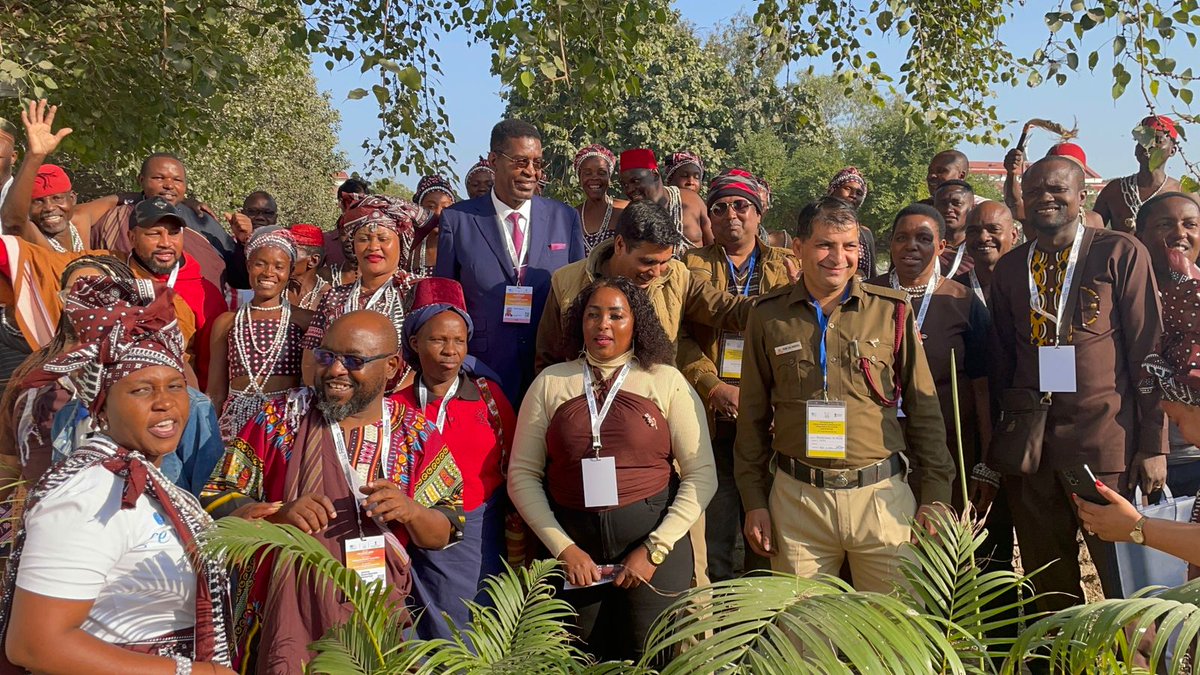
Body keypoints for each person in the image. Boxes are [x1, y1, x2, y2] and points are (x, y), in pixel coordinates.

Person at [201, 310, 463, 673]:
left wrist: (411, 512)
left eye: (354, 361)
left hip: (374, 623)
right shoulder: (278, 419)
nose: (336, 370)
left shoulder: (414, 434)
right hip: (282, 616)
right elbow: (217, 497)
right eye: (327, 356)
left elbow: (448, 527)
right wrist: (277, 515)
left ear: (391, 367)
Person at [0, 283, 235, 674]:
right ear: (103, 409)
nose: (165, 402)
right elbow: (35, 644)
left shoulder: (148, 480)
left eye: (174, 386)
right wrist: (193, 672)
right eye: (142, 389)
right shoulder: (90, 493)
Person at [735, 197, 954, 593]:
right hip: (798, 501)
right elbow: (750, 417)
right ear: (799, 249)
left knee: (894, 633)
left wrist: (936, 493)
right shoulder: (768, 316)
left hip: (881, 499)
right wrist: (754, 500)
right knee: (800, 636)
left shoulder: (892, 311)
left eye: (849, 246)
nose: (838, 257)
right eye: (825, 245)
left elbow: (925, 410)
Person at [987, 156, 1166, 617]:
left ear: (1080, 196)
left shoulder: (1119, 252)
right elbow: (1003, 363)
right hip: (1035, 450)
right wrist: (1001, 451)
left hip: (1105, 446)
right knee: (1049, 587)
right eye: (1035, 191)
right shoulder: (1008, 270)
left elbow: (1149, 352)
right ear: (1022, 202)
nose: (1046, 197)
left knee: (1125, 585)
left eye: (1058, 189)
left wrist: (1154, 445)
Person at [509, 277, 716, 663]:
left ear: (636, 323)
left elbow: (701, 474)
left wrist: (654, 551)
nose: (604, 325)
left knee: (651, 659)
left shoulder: (666, 381)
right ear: (579, 323)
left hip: (653, 553)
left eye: (616, 315)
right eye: (593, 315)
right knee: (582, 660)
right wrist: (564, 549)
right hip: (575, 556)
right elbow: (522, 475)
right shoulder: (550, 383)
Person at [678, 172, 794, 582]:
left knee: (769, 527)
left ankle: (762, 622)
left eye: (741, 205)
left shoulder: (786, 267)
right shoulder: (689, 265)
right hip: (712, 417)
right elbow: (680, 337)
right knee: (718, 528)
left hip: (773, 416)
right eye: (720, 207)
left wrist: (776, 397)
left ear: (759, 213)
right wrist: (714, 386)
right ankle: (722, 623)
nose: (731, 214)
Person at [393, 278, 517, 635]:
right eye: (438, 340)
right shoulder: (395, 406)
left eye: (459, 341)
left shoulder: (488, 398)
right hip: (410, 533)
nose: (450, 350)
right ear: (415, 343)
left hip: (476, 537)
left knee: (468, 631)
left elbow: (513, 463)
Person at [435, 119, 586, 403]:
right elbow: (445, 302)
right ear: (494, 160)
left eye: (537, 163)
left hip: (550, 366)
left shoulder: (564, 218)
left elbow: (578, 293)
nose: (531, 172)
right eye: (520, 162)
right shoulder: (459, 220)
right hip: (482, 366)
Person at [536, 200, 753, 373]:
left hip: (653, 410)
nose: (657, 272)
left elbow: (729, 310)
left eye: (665, 261)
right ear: (620, 245)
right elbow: (547, 361)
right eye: (648, 262)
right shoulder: (566, 282)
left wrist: (784, 299)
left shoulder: (678, 276)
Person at [302, 195, 429, 385]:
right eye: (363, 239)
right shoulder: (334, 296)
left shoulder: (419, 291)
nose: (373, 247)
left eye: (383, 238)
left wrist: (389, 406)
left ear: (401, 242)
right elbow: (311, 358)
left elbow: (431, 358)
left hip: (401, 402)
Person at [207, 227, 312, 440]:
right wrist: (210, 438)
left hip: (285, 424)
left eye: (279, 266)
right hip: (236, 423)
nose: (268, 273)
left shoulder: (303, 320)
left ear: (290, 271)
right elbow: (216, 392)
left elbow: (311, 384)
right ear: (248, 266)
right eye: (260, 264)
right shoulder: (227, 322)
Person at [1135, 192, 1200, 496]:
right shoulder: (1121, 298)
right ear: (1139, 236)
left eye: (1191, 224)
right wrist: (1151, 446)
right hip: (1139, 458)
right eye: (1165, 224)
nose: (1180, 234)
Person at [1094, 115, 1183, 233]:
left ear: (1173, 150)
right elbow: (1092, 235)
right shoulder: (1115, 190)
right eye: (1143, 139)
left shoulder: (1181, 193)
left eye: (1157, 141)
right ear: (1136, 148)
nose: (1148, 146)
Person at [618, 148, 713, 251]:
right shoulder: (630, 217)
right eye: (625, 185)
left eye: (635, 181)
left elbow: (715, 250)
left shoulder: (692, 201)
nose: (629, 189)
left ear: (655, 174)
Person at [1003, 141, 1104, 235]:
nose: (1047, 198)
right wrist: (1012, 174)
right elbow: (1015, 204)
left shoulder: (1093, 220)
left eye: (1059, 189)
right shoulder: (1038, 212)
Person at [952, 200, 1018, 308]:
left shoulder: (1029, 285)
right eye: (974, 231)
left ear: (1014, 236)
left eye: (994, 229)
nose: (983, 238)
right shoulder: (952, 292)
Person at [573, 144, 627, 255]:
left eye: (601, 173)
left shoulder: (625, 210)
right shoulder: (571, 216)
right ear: (579, 178)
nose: (594, 177)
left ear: (609, 177)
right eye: (587, 173)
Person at [826, 166, 876, 278]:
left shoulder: (865, 233)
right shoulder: (816, 225)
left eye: (859, 193)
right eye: (848, 188)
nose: (853, 195)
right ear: (833, 190)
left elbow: (872, 274)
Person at [410, 175, 457, 277]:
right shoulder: (409, 247)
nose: (438, 213)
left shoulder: (460, 246)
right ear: (419, 209)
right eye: (431, 206)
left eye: (445, 207)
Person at [324, 177, 369, 272]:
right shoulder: (325, 241)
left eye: (359, 202)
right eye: (349, 201)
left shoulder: (376, 241)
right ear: (340, 203)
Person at [933, 179, 976, 277]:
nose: (948, 209)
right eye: (943, 203)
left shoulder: (978, 247)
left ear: (972, 208)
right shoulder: (924, 246)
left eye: (956, 203)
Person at [287, 222, 331, 310]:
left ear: (313, 261)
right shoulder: (275, 291)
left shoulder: (329, 298)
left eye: (291, 253)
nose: (282, 259)